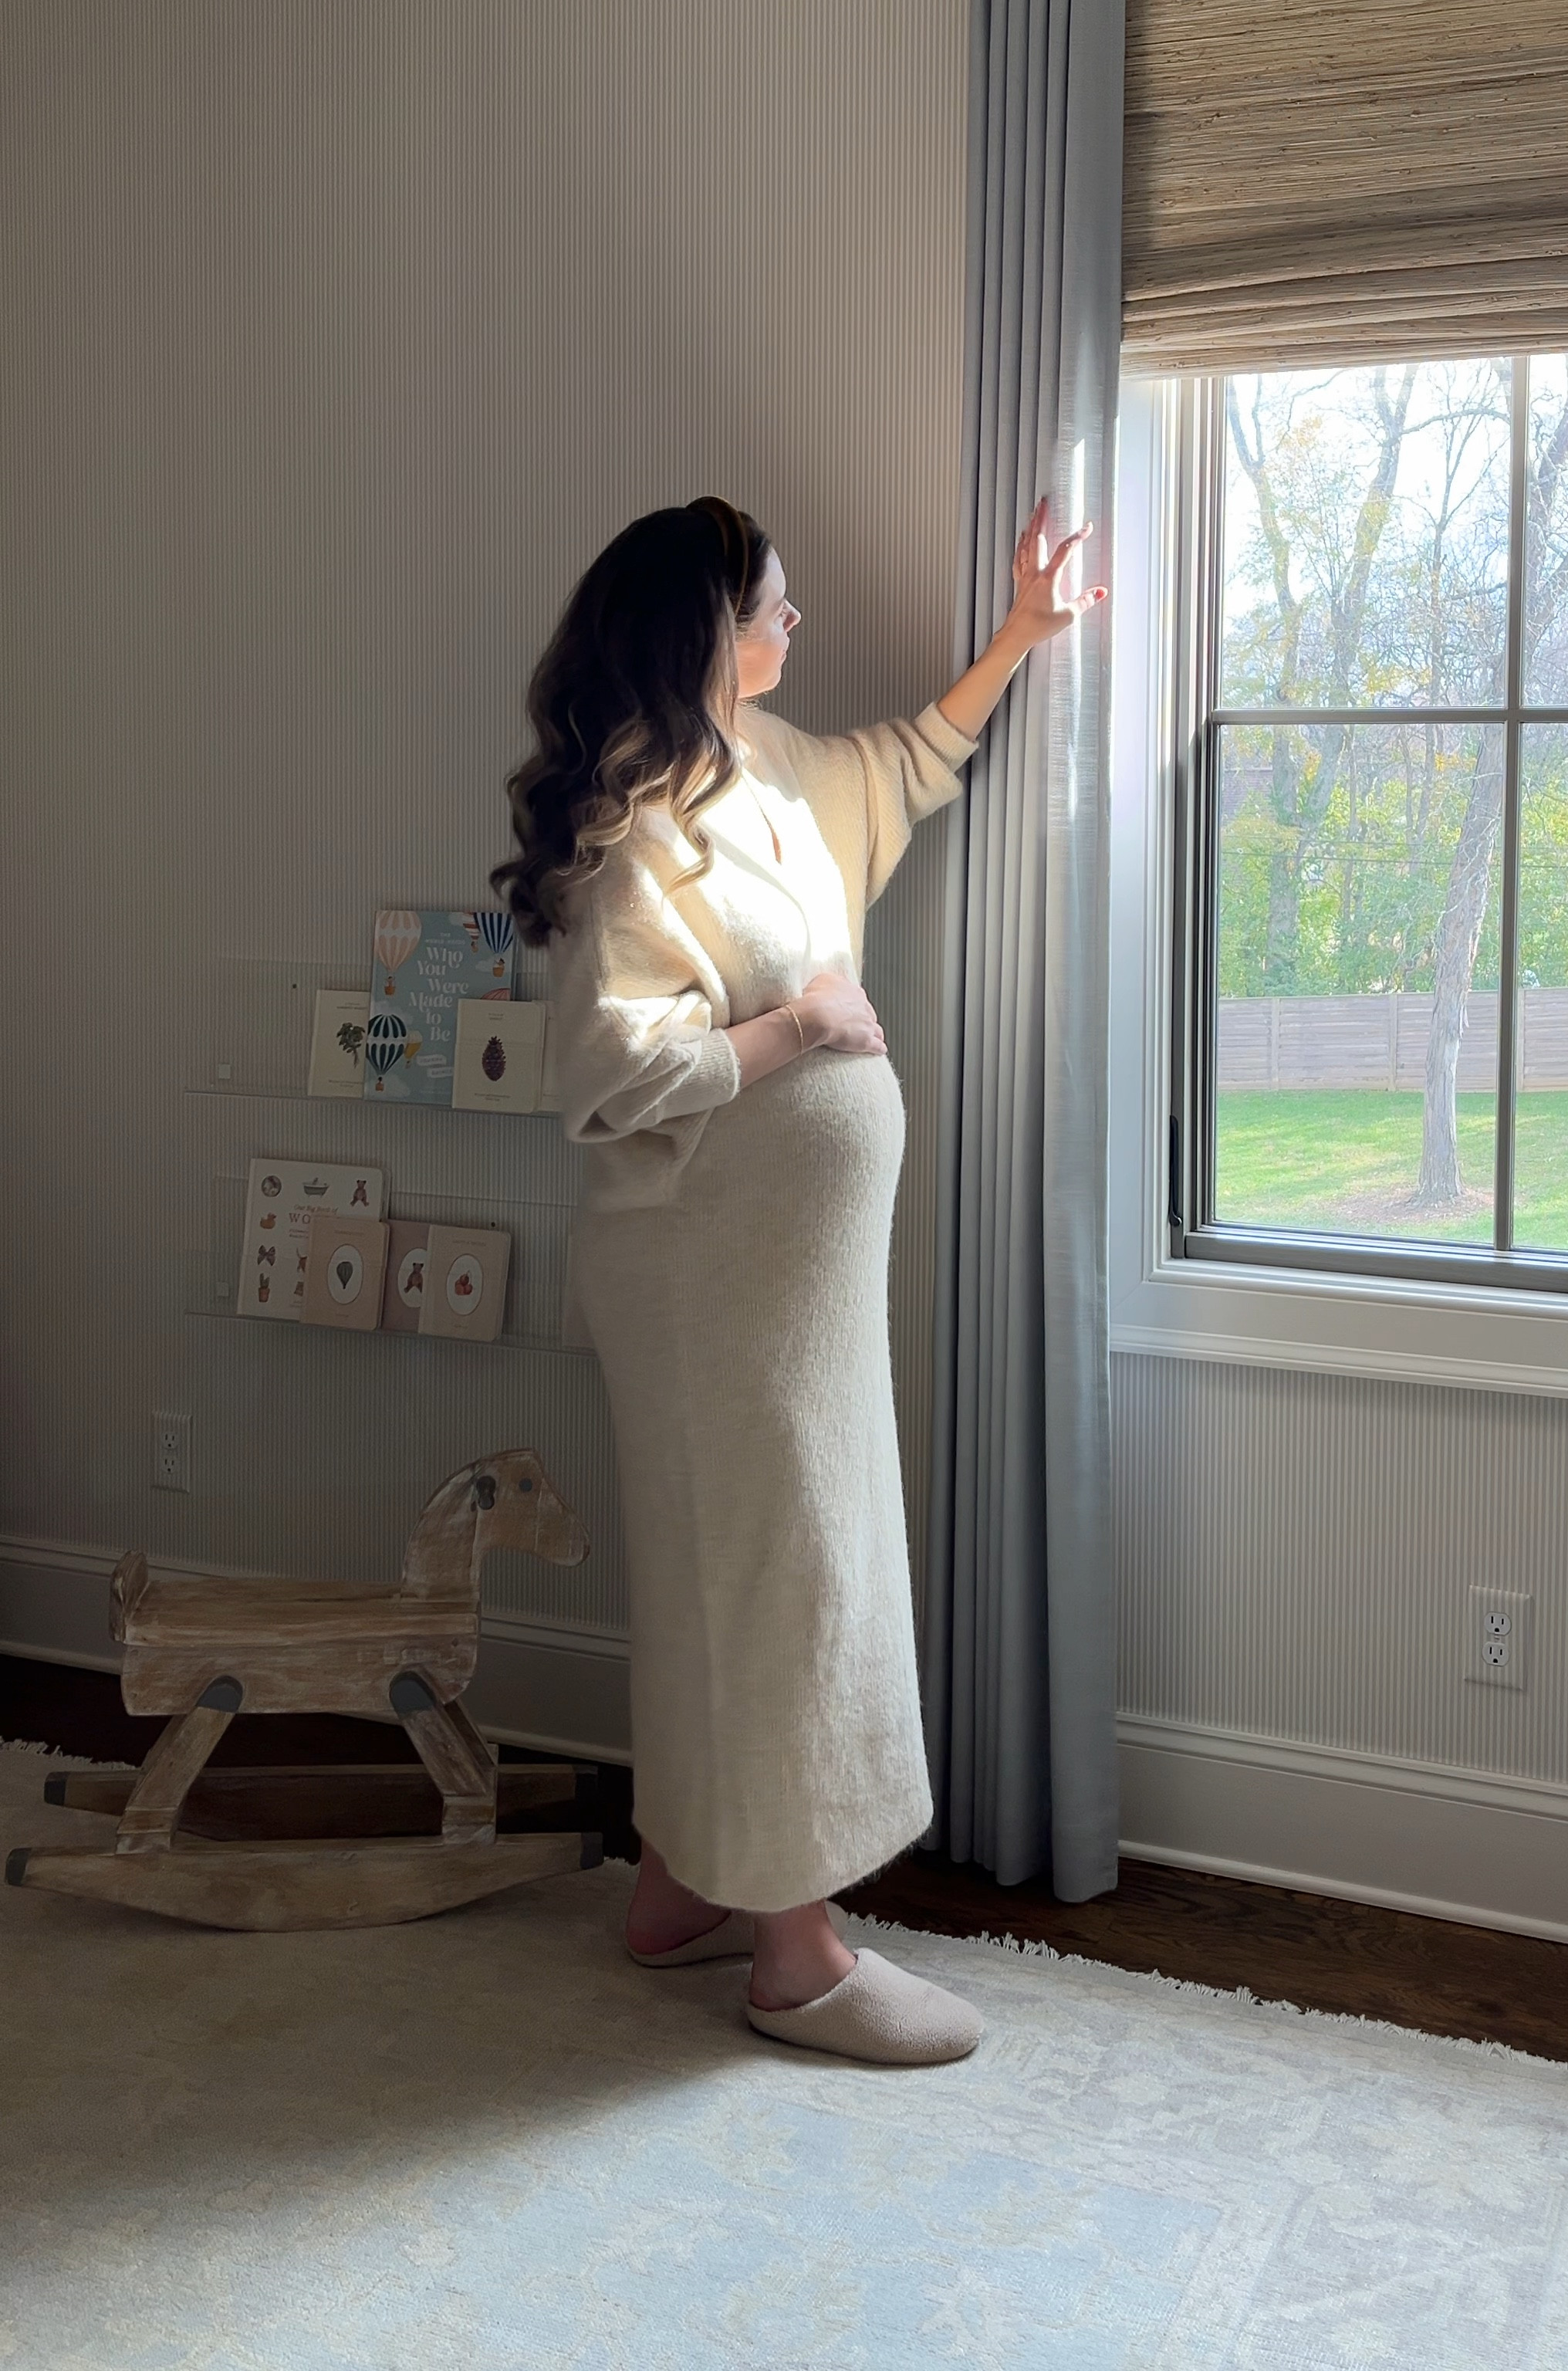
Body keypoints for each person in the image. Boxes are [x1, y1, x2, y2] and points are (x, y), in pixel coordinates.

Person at [492, 492, 1103, 2066]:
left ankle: (684, 1880)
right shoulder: (641, 820)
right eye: (772, 603)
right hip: (704, 1275)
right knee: (774, 1583)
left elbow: (901, 766)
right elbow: (605, 1063)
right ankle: (795, 1954)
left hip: (787, 1286)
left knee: (757, 1567)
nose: (793, 624)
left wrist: (1021, 639)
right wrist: (799, 1032)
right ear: (702, 625)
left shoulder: (764, 769)